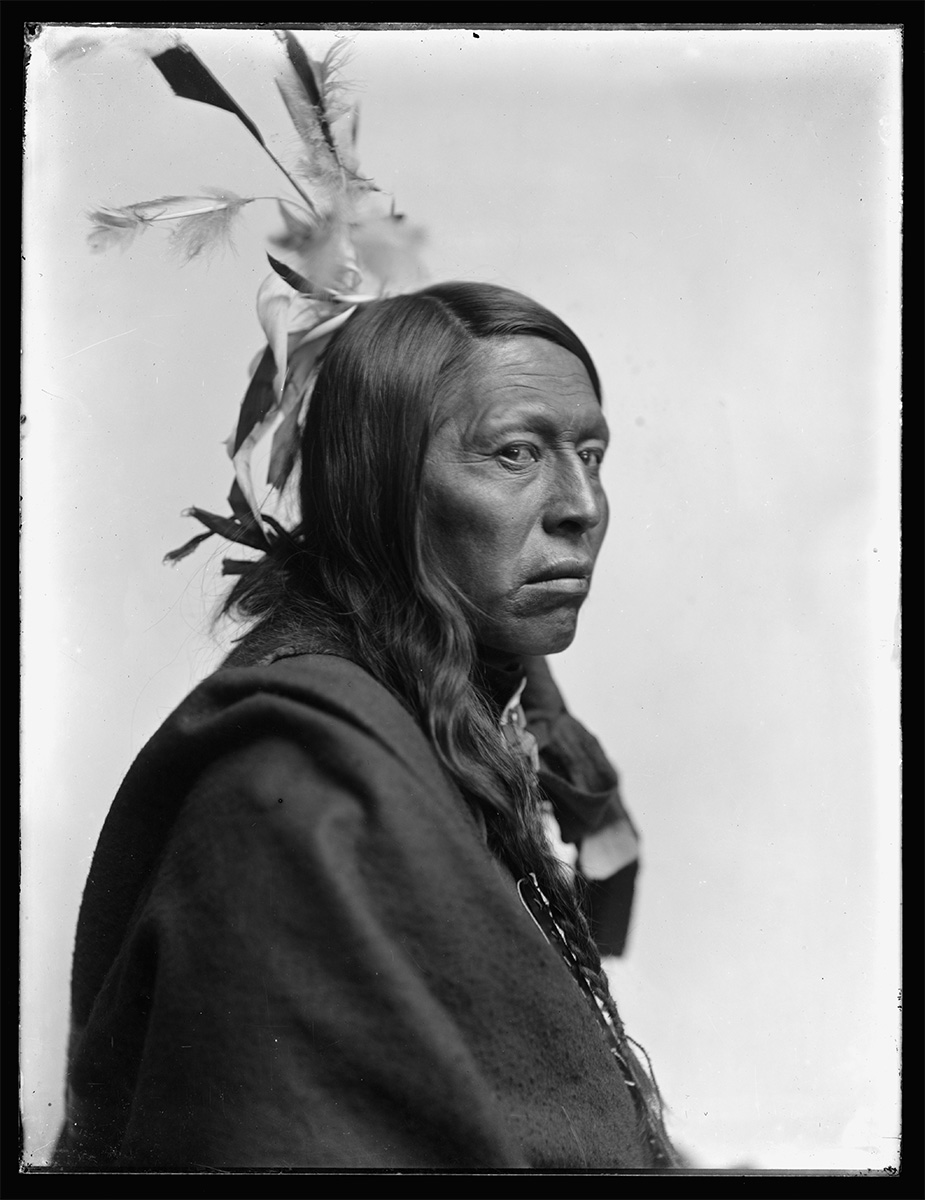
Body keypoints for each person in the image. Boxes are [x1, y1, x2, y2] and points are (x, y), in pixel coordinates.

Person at [51, 281, 678, 1171]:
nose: (581, 504)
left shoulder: (465, 722)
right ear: (383, 488)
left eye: (591, 453)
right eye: (514, 454)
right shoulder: (300, 782)